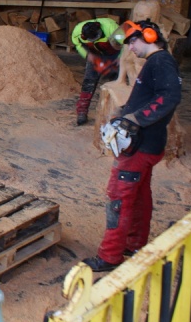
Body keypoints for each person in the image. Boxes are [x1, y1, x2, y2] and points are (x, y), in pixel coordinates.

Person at [83, 20, 181, 272]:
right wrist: (124, 114)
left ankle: (110, 256)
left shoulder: (160, 62)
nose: (131, 48)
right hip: (149, 142)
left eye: (134, 42)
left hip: (141, 144)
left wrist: (134, 120)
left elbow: (170, 97)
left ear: (149, 36)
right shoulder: (156, 62)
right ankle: (135, 244)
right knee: (139, 196)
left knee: (119, 196)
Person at [71, 18, 123, 126]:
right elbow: (78, 45)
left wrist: (120, 58)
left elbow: (125, 44)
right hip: (94, 53)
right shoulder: (77, 31)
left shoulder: (111, 27)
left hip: (113, 53)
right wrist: (87, 55)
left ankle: (116, 113)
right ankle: (82, 111)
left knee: (115, 82)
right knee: (88, 82)